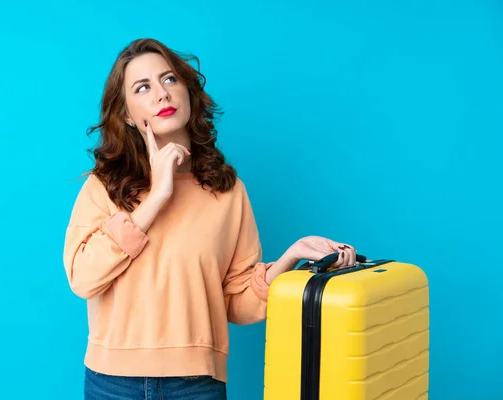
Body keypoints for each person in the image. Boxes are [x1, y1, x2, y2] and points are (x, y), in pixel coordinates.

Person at [62, 38, 357, 400]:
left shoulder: (227, 192)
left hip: (196, 386)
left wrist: (291, 256)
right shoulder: (103, 186)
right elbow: (83, 279)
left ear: (187, 90)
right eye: (143, 87)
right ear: (126, 114)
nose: (161, 94)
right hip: (113, 384)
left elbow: (237, 301)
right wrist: (157, 197)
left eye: (169, 80)